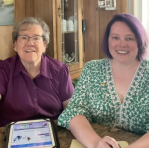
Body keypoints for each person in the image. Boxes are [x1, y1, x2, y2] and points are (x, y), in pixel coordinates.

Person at [58, 13, 149, 148]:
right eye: (115, 37)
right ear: (108, 40)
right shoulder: (92, 69)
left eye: (129, 38)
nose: (122, 44)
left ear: (141, 40)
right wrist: (95, 143)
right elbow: (74, 111)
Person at [0, 17, 74, 128]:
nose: (30, 43)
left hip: (53, 132)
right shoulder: (3, 69)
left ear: (44, 45)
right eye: (24, 38)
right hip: (11, 135)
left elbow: (72, 111)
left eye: (36, 38)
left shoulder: (60, 71)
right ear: (15, 45)